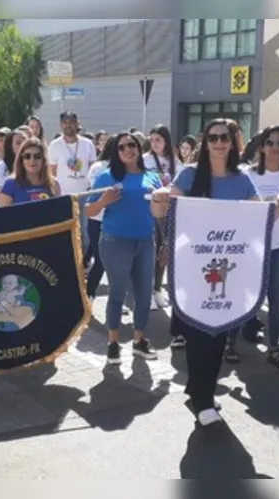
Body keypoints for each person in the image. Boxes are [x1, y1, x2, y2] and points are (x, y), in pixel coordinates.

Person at [163, 118, 262, 426]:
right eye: (213, 137)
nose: (219, 142)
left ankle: (200, 388)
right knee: (197, 333)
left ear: (232, 143)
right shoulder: (190, 174)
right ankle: (203, 399)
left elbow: (260, 214)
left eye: (225, 137)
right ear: (205, 142)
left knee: (219, 331)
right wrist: (159, 200)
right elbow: (162, 209)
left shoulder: (242, 179)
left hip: (229, 269)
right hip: (193, 268)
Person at [86, 132, 162, 364]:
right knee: (117, 293)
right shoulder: (106, 176)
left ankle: (139, 340)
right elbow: (88, 210)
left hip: (145, 241)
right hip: (115, 242)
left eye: (132, 145)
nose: (128, 149)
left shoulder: (152, 177)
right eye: (122, 147)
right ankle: (113, 343)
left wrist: (165, 238)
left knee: (144, 294)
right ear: (116, 153)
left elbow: (160, 213)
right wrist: (103, 202)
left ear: (139, 148)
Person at [240, 125, 279, 368]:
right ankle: (232, 343)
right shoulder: (249, 173)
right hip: (252, 245)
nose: (275, 148)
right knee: (247, 295)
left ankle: (274, 347)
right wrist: (270, 204)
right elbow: (243, 205)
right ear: (262, 146)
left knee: (276, 298)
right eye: (270, 143)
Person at [143, 124, 183, 311]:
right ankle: (147, 291)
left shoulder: (175, 161)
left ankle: (158, 288)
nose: (154, 143)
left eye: (158, 139)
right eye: (152, 140)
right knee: (150, 250)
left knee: (163, 251)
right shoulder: (145, 160)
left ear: (166, 141)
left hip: (169, 212)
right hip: (149, 210)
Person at [49, 111, 98, 253]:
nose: (68, 126)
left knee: (84, 231)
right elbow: (51, 171)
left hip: (84, 194)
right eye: (65, 123)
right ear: (60, 125)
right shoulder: (54, 145)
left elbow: (93, 169)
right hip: (64, 195)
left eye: (71, 122)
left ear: (77, 124)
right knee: (66, 230)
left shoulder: (87, 144)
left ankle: (83, 262)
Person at [84, 136, 115, 301]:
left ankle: (115, 298)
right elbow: (96, 189)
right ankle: (89, 294)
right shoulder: (99, 167)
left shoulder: (126, 168)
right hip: (97, 218)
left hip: (116, 220)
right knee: (101, 260)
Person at [0, 137, 61, 205]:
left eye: (37, 156)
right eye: (27, 156)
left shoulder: (53, 183)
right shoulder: (10, 184)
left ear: (44, 160)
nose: (32, 160)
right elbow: (3, 214)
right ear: (21, 160)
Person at [0, 128, 30, 196]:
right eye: (18, 143)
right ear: (9, 145)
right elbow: (1, 195)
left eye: (25, 143)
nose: (23, 146)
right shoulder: (0, 168)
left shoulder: (32, 165)